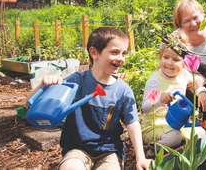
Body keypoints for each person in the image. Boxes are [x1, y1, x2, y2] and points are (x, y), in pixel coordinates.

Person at [32, 27, 150, 170]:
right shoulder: (77, 82)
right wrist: (44, 85)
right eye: (114, 52)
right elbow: (32, 104)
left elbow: (132, 123)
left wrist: (141, 157)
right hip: (77, 148)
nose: (121, 58)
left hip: (109, 151)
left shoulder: (123, 91)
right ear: (94, 53)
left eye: (123, 53)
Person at [140, 32, 206, 147]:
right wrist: (159, 99)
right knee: (174, 137)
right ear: (160, 57)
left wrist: (201, 91)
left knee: (201, 134)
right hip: (156, 123)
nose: (169, 62)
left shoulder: (183, 74)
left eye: (176, 59)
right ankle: (154, 149)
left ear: (184, 63)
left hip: (179, 120)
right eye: (166, 57)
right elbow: (145, 108)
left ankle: (191, 157)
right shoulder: (155, 80)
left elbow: (196, 80)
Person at [173, 0, 206, 127]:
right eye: (186, 21)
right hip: (184, 88)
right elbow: (167, 71)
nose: (193, 24)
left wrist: (202, 80)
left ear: (203, 16)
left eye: (195, 17)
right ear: (179, 25)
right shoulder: (175, 42)